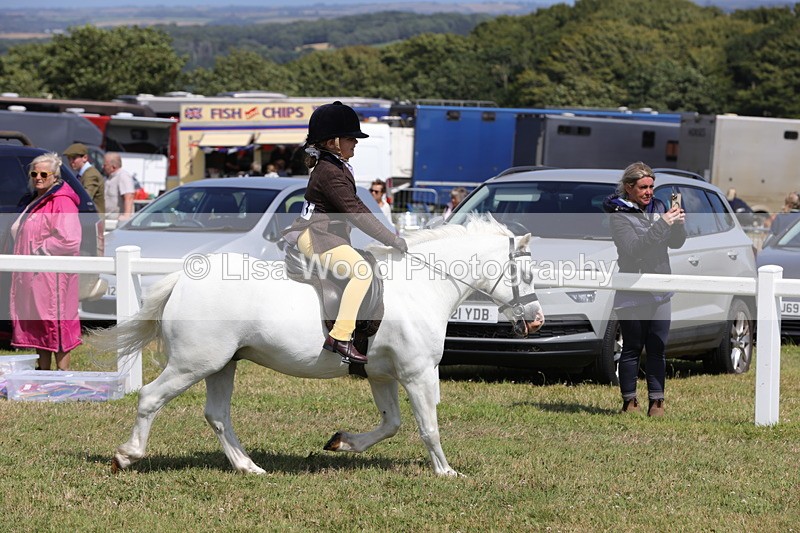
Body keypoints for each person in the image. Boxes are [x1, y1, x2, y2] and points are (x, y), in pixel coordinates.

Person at [285, 101, 407, 364]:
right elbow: (355, 211)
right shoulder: (330, 172)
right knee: (361, 273)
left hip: (327, 235)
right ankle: (339, 337)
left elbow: (358, 206)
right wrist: (391, 239)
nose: (356, 143)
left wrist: (389, 234)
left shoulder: (336, 166)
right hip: (318, 236)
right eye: (351, 138)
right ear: (332, 142)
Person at [603, 162, 686, 417]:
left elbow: (677, 243)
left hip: (660, 287)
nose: (649, 192)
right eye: (643, 187)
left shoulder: (660, 207)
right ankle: (629, 401)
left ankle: (657, 401)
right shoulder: (619, 215)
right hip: (633, 288)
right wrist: (662, 224)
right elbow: (634, 249)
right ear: (629, 188)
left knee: (658, 347)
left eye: (651, 186)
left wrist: (678, 223)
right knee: (632, 346)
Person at [10, 153, 82, 370]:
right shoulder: (35, 199)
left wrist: (40, 250)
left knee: (56, 323)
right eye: (34, 173)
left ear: (55, 176)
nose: (38, 177)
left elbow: (70, 239)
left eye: (43, 174)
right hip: (33, 274)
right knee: (39, 323)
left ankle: (62, 374)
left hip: (52, 276)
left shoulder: (62, 201)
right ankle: (43, 372)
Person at [63, 143, 105, 215]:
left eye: (74, 158)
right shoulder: (83, 174)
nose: (71, 162)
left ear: (85, 158)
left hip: (92, 219)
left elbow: (85, 197)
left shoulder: (91, 175)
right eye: (69, 159)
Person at [102, 152, 136, 223]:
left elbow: (129, 197)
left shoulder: (123, 176)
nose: (103, 167)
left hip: (117, 222)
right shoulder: (109, 177)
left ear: (113, 167)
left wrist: (126, 217)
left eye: (105, 165)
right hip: (108, 220)